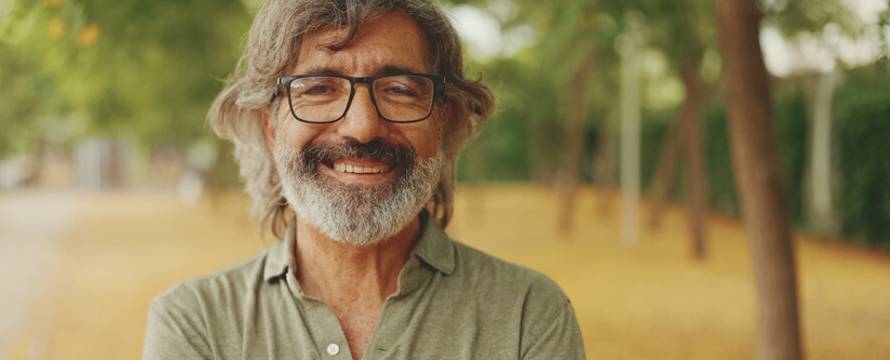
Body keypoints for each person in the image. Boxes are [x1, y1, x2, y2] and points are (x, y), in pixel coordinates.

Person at [143, 0, 584, 359]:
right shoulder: (195, 324)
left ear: (441, 121)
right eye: (318, 87)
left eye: (399, 89)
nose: (361, 127)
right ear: (271, 125)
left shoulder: (528, 316)